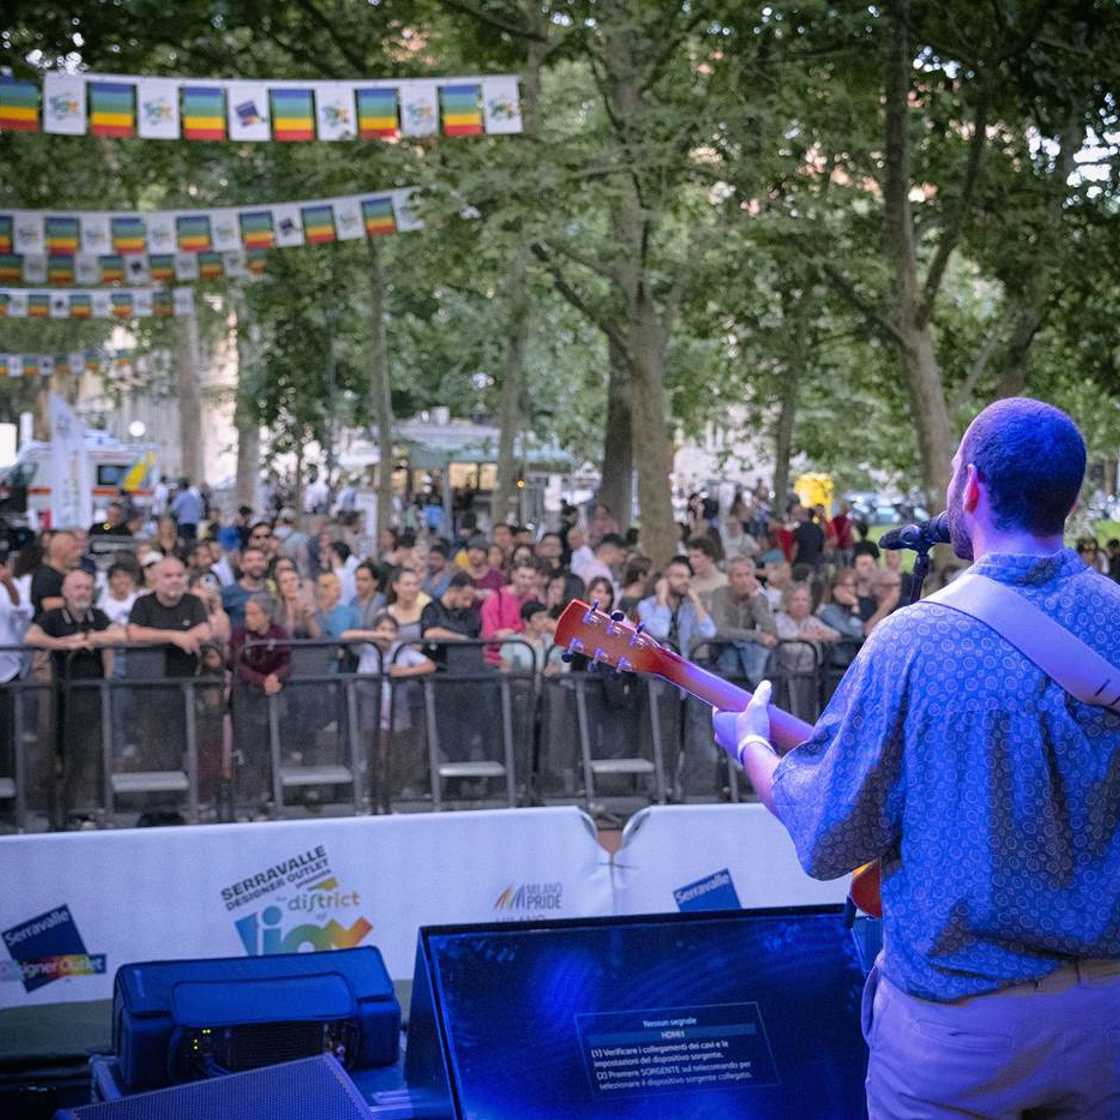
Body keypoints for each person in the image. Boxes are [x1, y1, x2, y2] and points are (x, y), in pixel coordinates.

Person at [717, 398, 1120, 1119]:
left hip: (961, 1031)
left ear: (972, 486)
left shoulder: (912, 642)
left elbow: (828, 830)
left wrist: (749, 745)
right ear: (1069, 497)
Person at [24, 569, 123, 827]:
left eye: (87, 588)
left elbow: (120, 634)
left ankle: (83, 809)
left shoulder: (97, 616)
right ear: (65, 592)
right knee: (53, 751)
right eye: (77, 588)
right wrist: (65, 644)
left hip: (90, 696)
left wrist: (90, 638)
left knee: (88, 752)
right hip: (57, 695)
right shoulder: (53, 616)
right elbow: (31, 636)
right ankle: (51, 809)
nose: (83, 593)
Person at [229, 594, 291, 816]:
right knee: (249, 750)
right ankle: (247, 798)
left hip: (273, 696)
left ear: (267, 616)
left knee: (271, 749)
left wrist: (275, 677)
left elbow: (287, 662)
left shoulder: (279, 633)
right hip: (246, 698)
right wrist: (261, 680)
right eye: (247, 613)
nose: (248, 618)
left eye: (254, 614)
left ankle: (272, 797)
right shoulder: (239, 634)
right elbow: (237, 664)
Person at [709, 557, 777, 685]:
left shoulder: (760, 598)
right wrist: (758, 636)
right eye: (739, 576)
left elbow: (772, 632)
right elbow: (720, 631)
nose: (744, 581)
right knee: (731, 653)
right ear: (730, 579)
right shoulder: (720, 594)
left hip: (749, 653)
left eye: (747, 575)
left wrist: (755, 602)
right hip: (722, 649)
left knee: (768, 654)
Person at [637, 556, 716, 657]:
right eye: (679, 576)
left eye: (688, 577)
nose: (686, 581)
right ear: (665, 580)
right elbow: (660, 633)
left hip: (682, 662)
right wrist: (662, 599)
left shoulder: (687, 608)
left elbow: (709, 633)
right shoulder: (646, 606)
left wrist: (696, 602)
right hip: (654, 662)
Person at [30, 529, 79, 623]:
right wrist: (81, 601)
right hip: (49, 627)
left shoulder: (72, 573)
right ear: (60, 551)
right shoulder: (45, 576)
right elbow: (48, 605)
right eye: (73, 549)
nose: (78, 553)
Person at [221, 545, 269, 629]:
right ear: (242, 566)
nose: (256, 564)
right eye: (250, 560)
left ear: (266, 563)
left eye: (260, 560)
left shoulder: (273, 590)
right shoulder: (227, 593)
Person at [686, 536, 728, 607]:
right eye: (690, 557)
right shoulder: (689, 584)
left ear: (710, 558)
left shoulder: (726, 582)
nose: (691, 561)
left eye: (696, 556)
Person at [169, 478, 203, 543]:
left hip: (184, 522)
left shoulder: (181, 496)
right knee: (192, 540)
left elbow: (173, 508)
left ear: (180, 487)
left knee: (184, 541)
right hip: (194, 522)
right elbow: (199, 508)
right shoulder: (193, 496)